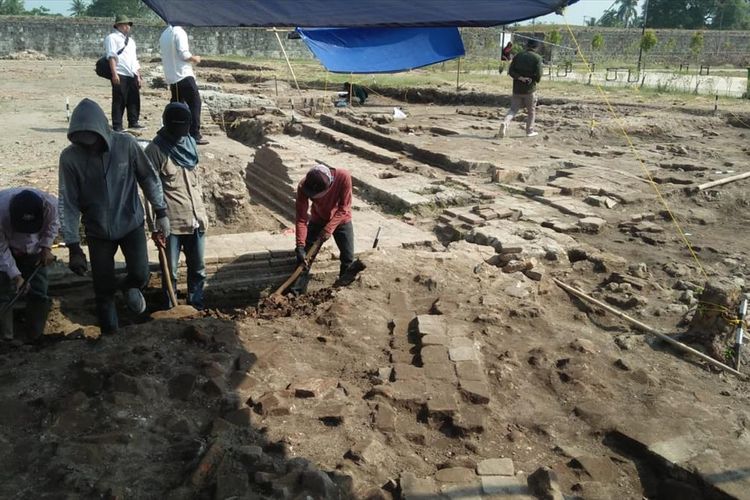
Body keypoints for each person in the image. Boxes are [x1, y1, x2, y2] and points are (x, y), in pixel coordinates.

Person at [58, 98, 170, 335]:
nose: (89, 148)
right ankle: (110, 335)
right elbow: (67, 202)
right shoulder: (70, 159)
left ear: (103, 133)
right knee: (102, 288)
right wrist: (73, 246)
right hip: (98, 231)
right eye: (83, 144)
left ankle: (130, 287)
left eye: (93, 143)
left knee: (140, 273)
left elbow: (148, 177)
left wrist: (161, 212)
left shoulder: (126, 144)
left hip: (131, 223)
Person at [145, 103, 208, 310]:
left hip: (195, 219)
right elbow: (148, 190)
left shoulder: (190, 143)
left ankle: (196, 304)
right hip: (171, 223)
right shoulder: (155, 151)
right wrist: (155, 225)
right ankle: (170, 308)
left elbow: (196, 183)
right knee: (170, 270)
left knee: (198, 268)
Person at [0, 188, 59, 341]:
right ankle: (6, 339)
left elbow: (52, 226)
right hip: (7, 249)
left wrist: (46, 248)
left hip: (34, 251)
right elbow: (1, 249)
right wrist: (16, 276)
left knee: (39, 292)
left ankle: (35, 336)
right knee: (3, 293)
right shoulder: (0, 211)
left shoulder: (50, 205)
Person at [292, 164, 354, 295]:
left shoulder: (343, 177)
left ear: (329, 185)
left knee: (348, 258)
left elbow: (344, 207)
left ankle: (342, 290)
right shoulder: (303, 186)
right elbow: (301, 218)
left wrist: (328, 229)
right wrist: (300, 246)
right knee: (304, 258)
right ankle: (295, 293)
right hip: (318, 219)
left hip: (342, 220)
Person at [159, 25, 209, 145]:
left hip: (172, 75)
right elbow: (184, 54)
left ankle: (173, 130)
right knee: (195, 102)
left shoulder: (164, 34)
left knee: (177, 103)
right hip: (183, 74)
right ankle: (194, 133)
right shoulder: (179, 32)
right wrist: (195, 58)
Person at [104, 14, 144, 132]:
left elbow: (134, 59)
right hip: (120, 72)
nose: (127, 27)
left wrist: (138, 75)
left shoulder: (131, 41)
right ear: (119, 25)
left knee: (133, 98)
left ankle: (133, 121)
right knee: (119, 99)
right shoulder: (111, 38)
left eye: (128, 25)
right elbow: (111, 56)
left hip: (131, 73)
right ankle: (117, 124)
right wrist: (114, 73)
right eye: (125, 24)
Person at [498, 39, 543, 139]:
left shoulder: (518, 55)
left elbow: (511, 71)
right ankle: (529, 131)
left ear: (526, 45)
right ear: (536, 47)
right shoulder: (537, 58)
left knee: (513, 109)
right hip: (530, 89)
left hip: (517, 88)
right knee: (531, 111)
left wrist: (520, 78)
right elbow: (539, 75)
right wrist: (531, 79)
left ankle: (505, 123)